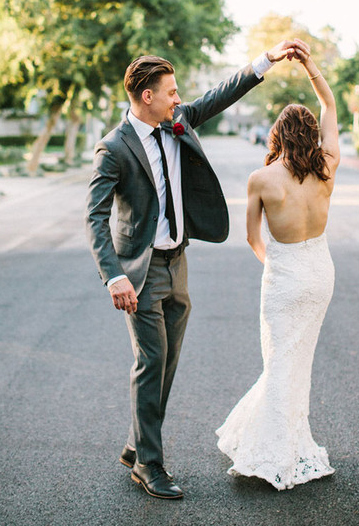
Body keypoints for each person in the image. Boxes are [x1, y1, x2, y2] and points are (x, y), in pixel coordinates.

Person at [85, 40, 293, 500]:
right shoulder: (114, 148)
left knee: (168, 360)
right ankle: (149, 464)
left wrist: (265, 61)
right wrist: (114, 275)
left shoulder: (177, 121)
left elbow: (220, 95)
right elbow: (95, 217)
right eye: (171, 91)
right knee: (151, 360)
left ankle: (139, 440)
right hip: (140, 271)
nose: (178, 98)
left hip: (178, 261)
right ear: (147, 97)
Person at [216, 38, 340, 490]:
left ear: (276, 135)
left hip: (285, 278)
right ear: (311, 135)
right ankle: (290, 442)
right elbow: (328, 102)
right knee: (297, 363)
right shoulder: (328, 164)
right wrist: (309, 67)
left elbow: (250, 237)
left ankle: (272, 453)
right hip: (320, 274)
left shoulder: (262, 179)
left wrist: (276, 266)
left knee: (279, 362)